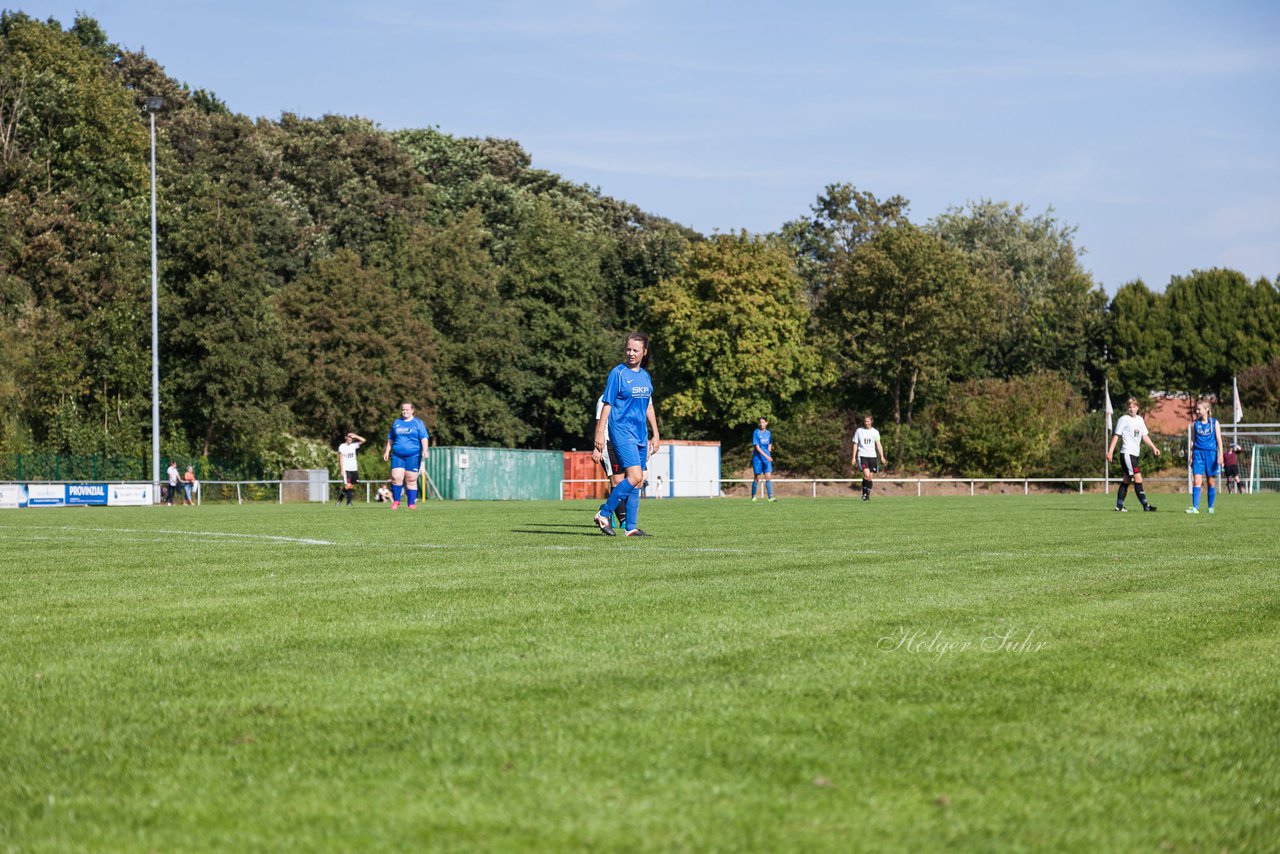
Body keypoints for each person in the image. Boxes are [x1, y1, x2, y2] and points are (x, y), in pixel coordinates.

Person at [592, 333, 660, 537]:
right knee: (635, 476)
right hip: (621, 431)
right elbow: (607, 404)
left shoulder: (645, 376)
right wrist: (599, 433)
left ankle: (630, 527)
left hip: (640, 433)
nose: (631, 353)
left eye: (635, 350)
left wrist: (655, 434)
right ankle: (604, 513)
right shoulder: (618, 373)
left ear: (644, 352)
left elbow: (648, 406)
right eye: (628, 349)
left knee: (639, 481)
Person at [1105, 397, 1161, 512]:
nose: (1131, 409)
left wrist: (1154, 447)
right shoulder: (1123, 419)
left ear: (1137, 408)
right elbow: (1116, 435)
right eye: (1129, 407)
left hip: (1134, 455)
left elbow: (1144, 436)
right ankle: (1146, 505)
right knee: (1138, 478)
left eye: (1134, 406)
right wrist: (1110, 451)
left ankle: (1119, 506)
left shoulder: (1140, 420)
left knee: (1126, 480)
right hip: (1127, 454)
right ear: (1127, 408)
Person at [383, 402, 430, 510]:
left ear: (412, 410)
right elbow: (391, 438)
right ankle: (396, 502)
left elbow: (424, 438)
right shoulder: (397, 422)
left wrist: (425, 450)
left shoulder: (418, 423)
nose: (405, 411)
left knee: (411, 479)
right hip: (397, 455)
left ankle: (411, 503)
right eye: (403, 410)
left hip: (413, 455)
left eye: (407, 409)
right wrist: (387, 451)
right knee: (396, 477)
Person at [1187, 399, 1223, 514]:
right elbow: (1192, 441)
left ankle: (1210, 507)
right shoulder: (1195, 424)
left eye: (1199, 409)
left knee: (1211, 481)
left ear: (1206, 409)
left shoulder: (1214, 423)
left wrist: (1221, 454)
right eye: (1196, 409)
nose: (1197, 411)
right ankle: (1195, 508)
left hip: (1211, 454)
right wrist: (1191, 455)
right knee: (1197, 481)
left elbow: (1219, 440)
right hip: (1198, 454)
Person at [851, 415, 887, 501]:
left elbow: (878, 445)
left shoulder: (875, 432)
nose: (866, 423)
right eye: (865, 421)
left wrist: (882, 456)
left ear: (871, 421)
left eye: (868, 421)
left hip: (872, 456)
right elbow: (855, 444)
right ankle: (865, 494)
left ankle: (866, 495)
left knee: (870, 477)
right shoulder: (859, 431)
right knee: (866, 475)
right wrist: (853, 457)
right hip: (862, 455)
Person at [336, 431, 366, 507]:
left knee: (351, 486)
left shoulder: (354, 445)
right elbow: (340, 459)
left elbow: (364, 440)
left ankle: (348, 502)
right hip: (346, 469)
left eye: (351, 437)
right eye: (349, 437)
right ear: (345, 437)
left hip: (354, 469)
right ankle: (340, 500)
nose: (350, 438)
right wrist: (342, 469)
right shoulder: (342, 446)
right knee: (347, 486)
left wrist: (355, 436)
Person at [751, 416, 775, 502]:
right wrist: (767, 456)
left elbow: (770, 442)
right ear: (759, 423)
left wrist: (769, 448)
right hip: (758, 458)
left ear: (766, 423)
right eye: (760, 422)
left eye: (763, 422)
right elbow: (757, 447)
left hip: (766, 458)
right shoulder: (756, 432)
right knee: (757, 477)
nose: (762, 424)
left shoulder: (768, 433)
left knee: (768, 477)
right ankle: (753, 496)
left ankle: (770, 497)